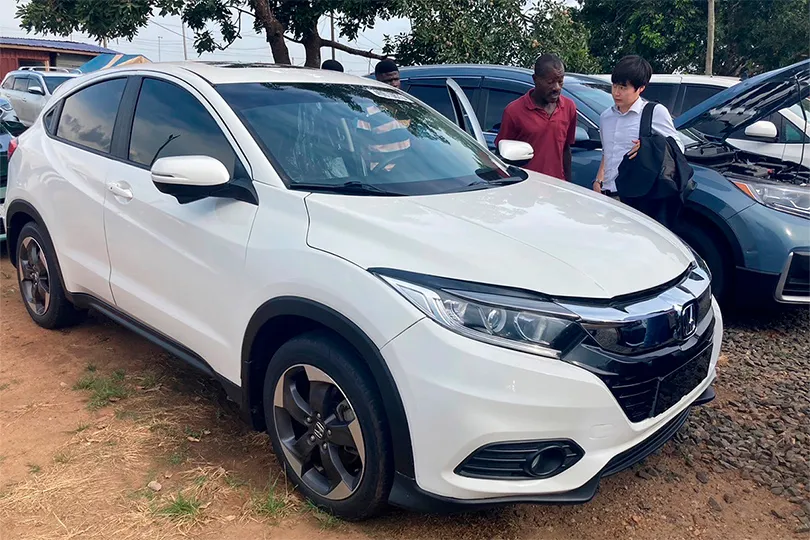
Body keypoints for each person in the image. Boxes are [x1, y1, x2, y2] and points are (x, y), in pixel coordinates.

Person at [594, 55, 683, 209]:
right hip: (607, 195)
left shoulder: (654, 112)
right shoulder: (606, 117)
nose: (616, 93)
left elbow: (678, 148)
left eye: (623, 88)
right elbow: (607, 152)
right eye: (614, 86)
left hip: (639, 198)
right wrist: (598, 181)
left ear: (641, 88)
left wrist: (648, 147)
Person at [494, 54, 577, 181]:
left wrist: (569, 185)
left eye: (560, 82)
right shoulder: (514, 111)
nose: (557, 87)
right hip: (526, 187)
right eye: (550, 82)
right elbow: (502, 156)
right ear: (535, 79)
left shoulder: (569, 107)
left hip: (557, 188)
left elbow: (566, 150)